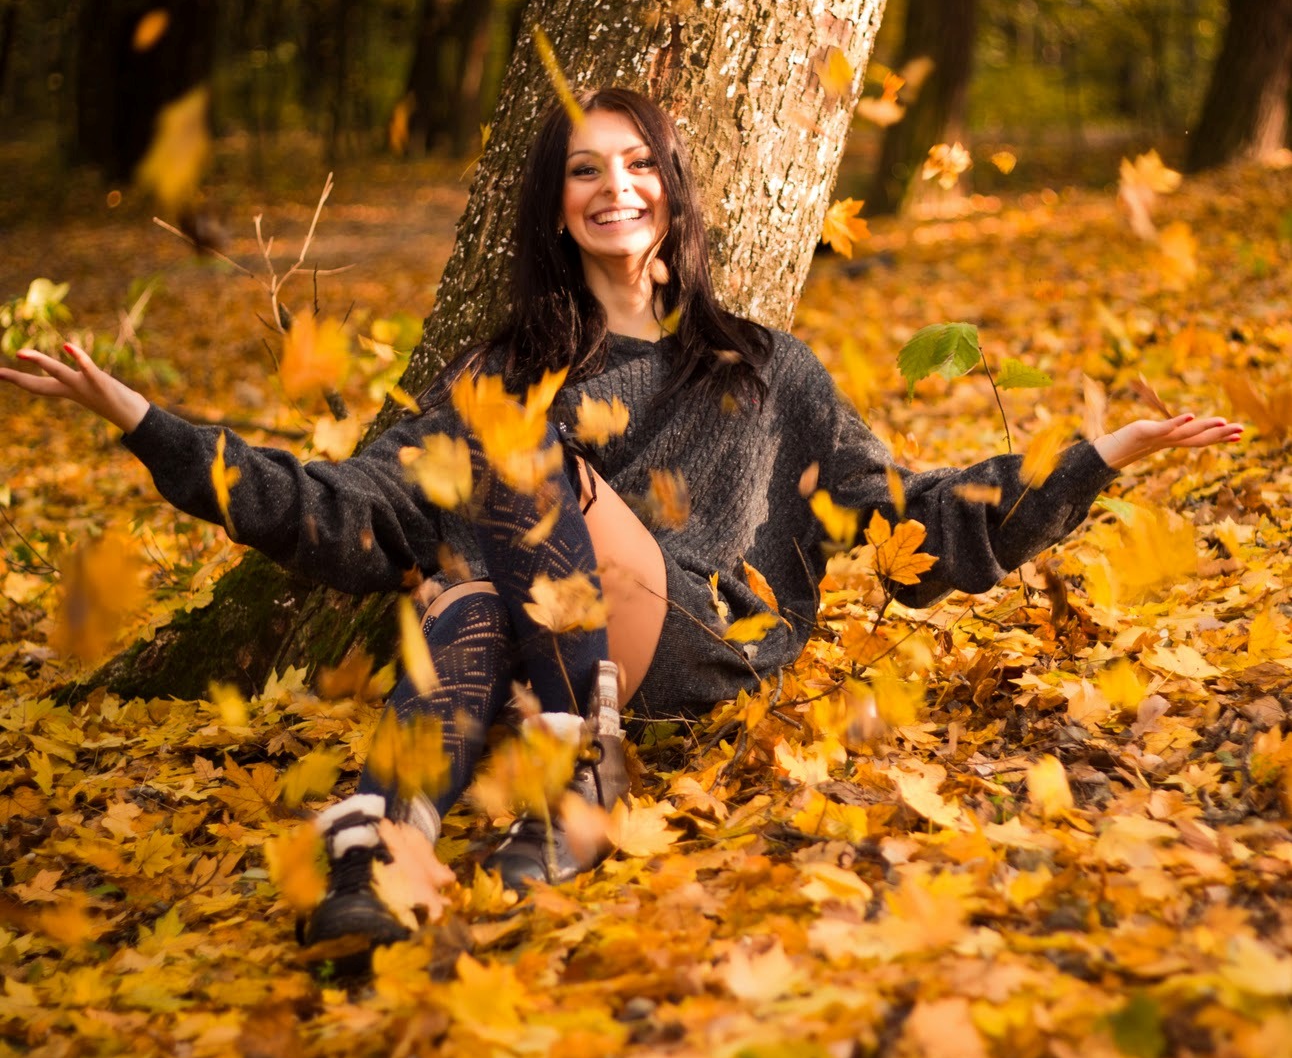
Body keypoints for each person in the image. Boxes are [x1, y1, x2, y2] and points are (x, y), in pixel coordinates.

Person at [0, 88, 1241, 958]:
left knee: (516, 464)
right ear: (554, 206)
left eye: (636, 164)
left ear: (672, 195)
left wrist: (1092, 456)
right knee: (454, 569)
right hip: (537, 636)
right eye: (585, 170)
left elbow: (914, 524)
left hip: (703, 633)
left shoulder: (762, 369)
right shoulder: (504, 361)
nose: (614, 187)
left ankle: (566, 780)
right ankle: (391, 847)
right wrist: (152, 425)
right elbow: (359, 509)